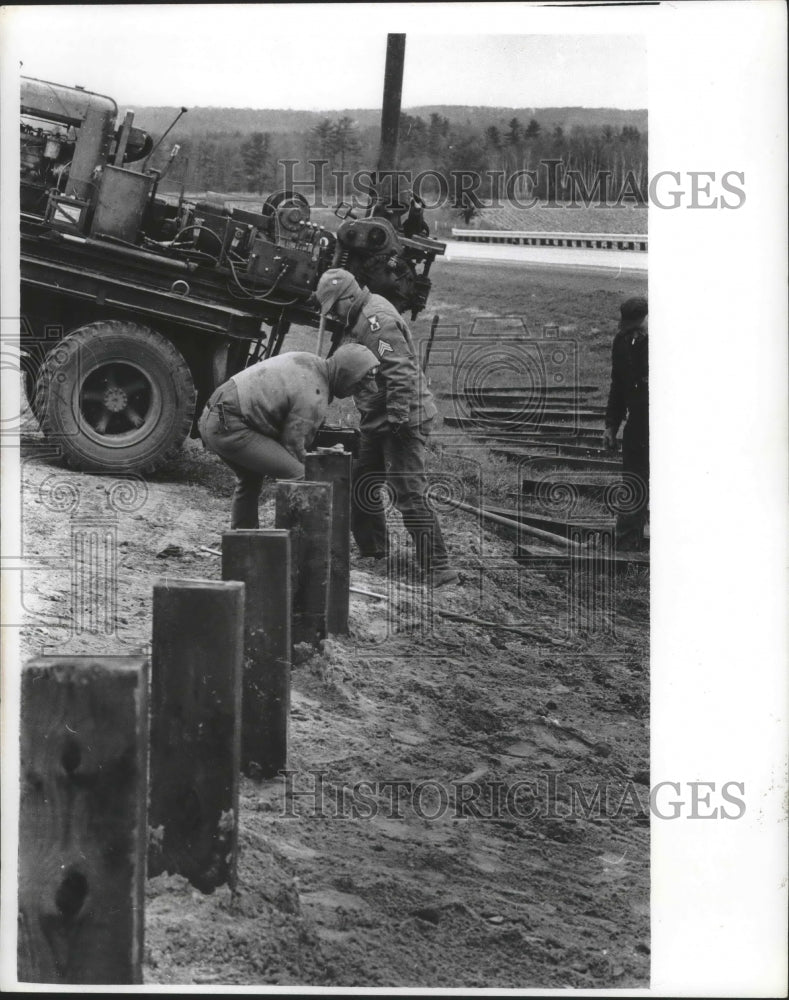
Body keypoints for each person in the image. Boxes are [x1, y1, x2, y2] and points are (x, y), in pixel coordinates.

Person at [314, 268, 459, 587]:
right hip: (381, 420)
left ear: (347, 298)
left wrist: (394, 422)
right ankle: (373, 551)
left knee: (407, 491)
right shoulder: (360, 317)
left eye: (335, 307)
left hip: (403, 420)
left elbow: (401, 375)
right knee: (361, 479)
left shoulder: (375, 321)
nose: (335, 316)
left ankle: (440, 568)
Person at [199, 344, 379, 529]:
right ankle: (293, 544)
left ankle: (244, 540)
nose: (357, 391)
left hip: (215, 414)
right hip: (228, 424)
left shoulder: (312, 362)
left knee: (251, 478)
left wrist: (318, 450)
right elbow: (293, 447)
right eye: (357, 385)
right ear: (345, 375)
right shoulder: (314, 394)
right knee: (300, 477)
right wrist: (318, 464)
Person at [603, 295, 649, 550]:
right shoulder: (621, 341)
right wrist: (611, 425)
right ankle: (626, 546)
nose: (633, 332)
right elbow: (617, 386)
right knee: (633, 483)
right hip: (638, 426)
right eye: (628, 327)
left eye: (637, 327)